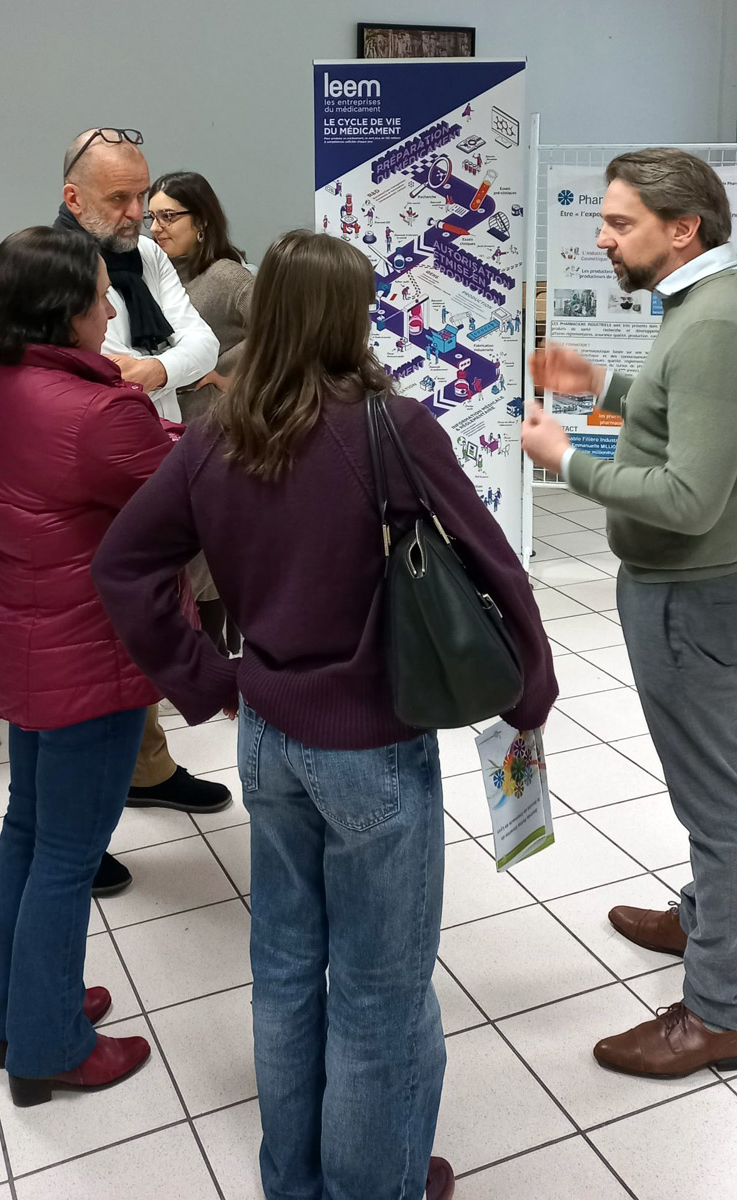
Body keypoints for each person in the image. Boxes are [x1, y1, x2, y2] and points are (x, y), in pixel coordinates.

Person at [92, 230, 557, 1199]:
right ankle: (372, 1184)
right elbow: (492, 561)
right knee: (381, 989)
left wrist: (207, 680)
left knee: (285, 965)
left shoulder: (217, 434)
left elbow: (124, 564)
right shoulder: (391, 426)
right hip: (372, 745)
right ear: (350, 317)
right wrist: (529, 691)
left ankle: (294, 1177)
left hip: (267, 736)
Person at [523, 147, 737, 1079]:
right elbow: (683, 416)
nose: (602, 239)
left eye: (619, 223)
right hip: (685, 591)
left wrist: (566, 462)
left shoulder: (712, 323)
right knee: (715, 789)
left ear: (682, 228)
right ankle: (706, 920)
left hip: (690, 597)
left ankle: (718, 1010)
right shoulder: (697, 306)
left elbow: (688, 497)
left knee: (716, 806)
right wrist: (600, 389)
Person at [0, 226, 180, 1104]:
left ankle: (18, 1011)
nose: (110, 308)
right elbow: (182, 496)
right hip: (88, 655)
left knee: (28, 828)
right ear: (61, 310)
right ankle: (49, 1047)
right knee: (68, 855)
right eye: (97, 295)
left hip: (21, 643)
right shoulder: (97, 412)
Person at [55, 128, 231, 895]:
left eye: (143, 194)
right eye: (120, 198)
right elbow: (67, 375)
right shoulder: (47, 265)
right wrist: (142, 376)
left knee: (142, 629)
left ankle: (147, 770)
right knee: (82, 659)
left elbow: (202, 343)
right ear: (73, 198)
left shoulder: (146, 255)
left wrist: (153, 370)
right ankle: (71, 832)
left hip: (147, 461)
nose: (139, 213)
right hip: (82, 479)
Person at [147, 172, 253, 650]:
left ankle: (213, 657)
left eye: (169, 216)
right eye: (151, 217)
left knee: (205, 553)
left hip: (215, 434)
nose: (157, 227)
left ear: (203, 221)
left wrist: (225, 376)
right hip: (168, 431)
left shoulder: (227, 276)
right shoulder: (158, 275)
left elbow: (284, 332)